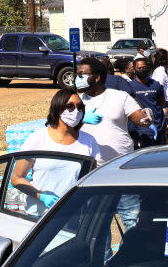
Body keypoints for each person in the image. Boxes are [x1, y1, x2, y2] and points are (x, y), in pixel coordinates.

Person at [11, 89, 101, 217]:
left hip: (71, 216)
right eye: (70, 106)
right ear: (58, 108)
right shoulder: (38, 138)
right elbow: (17, 178)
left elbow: (90, 179)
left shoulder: (89, 141)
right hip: (38, 217)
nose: (76, 111)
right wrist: (41, 196)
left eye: (80, 107)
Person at [74, 57, 151, 165]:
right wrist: (79, 119)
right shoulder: (75, 102)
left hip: (121, 164)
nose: (77, 79)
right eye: (76, 75)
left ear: (97, 78)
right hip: (89, 168)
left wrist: (146, 118)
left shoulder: (120, 96)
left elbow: (141, 119)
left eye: (81, 75)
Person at [129, 58, 167, 147]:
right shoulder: (130, 87)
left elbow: (161, 101)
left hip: (158, 125)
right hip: (142, 127)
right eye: (139, 68)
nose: (142, 70)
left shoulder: (156, 84)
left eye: (144, 67)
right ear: (134, 70)